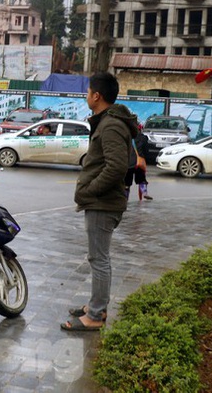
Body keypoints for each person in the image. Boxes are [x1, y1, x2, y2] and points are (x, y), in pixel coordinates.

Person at [61, 72, 138, 332]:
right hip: (102, 202)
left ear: (97, 95)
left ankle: (95, 316)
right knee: (99, 258)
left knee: (99, 259)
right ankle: (97, 306)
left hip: (103, 203)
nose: (86, 96)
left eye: (88, 91)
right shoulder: (108, 121)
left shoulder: (111, 125)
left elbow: (116, 167)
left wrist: (91, 191)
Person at [125, 123, 153, 200]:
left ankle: (125, 197)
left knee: (126, 182)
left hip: (128, 162)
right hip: (139, 161)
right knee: (141, 179)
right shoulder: (143, 138)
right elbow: (146, 151)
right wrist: (146, 159)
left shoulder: (126, 137)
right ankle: (144, 192)